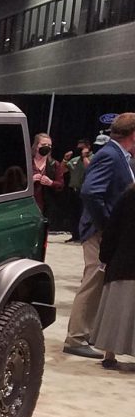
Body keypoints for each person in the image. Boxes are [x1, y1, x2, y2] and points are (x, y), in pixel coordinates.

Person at [64, 113, 135, 359]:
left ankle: (87, 333)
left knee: (98, 280)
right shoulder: (110, 155)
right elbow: (91, 192)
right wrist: (106, 224)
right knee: (93, 279)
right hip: (98, 231)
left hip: (108, 232)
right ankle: (75, 338)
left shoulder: (120, 156)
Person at [91, 184, 135, 370]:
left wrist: (106, 257)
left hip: (122, 261)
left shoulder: (128, 196)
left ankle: (109, 354)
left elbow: (112, 229)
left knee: (115, 308)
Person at [64, 139, 92, 243]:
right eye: (78, 147)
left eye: (82, 147)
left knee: (82, 215)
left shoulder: (93, 158)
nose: (79, 150)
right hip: (73, 190)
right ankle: (74, 235)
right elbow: (63, 170)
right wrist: (65, 160)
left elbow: (90, 169)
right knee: (73, 214)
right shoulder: (74, 159)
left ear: (88, 147)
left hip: (84, 191)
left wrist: (84, 157)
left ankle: (82, 236)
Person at [30, 133, 65, 216]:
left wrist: (51, 183)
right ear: (36, 145)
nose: (47, 147)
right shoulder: (28, 162)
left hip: (47, 206)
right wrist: (31, 180)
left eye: (49, 145)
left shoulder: (54, 164)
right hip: (29, 203)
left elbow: (61, 185)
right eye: (44, 144)